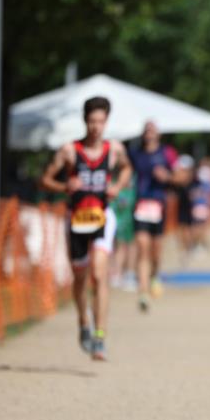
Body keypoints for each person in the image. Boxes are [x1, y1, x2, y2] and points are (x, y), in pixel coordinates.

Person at [40, 96, 132, 360]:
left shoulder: (114, 149)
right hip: (77, 218)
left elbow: (127, 169)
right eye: (92, 121)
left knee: (99, 274)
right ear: (85, 121)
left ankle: (100, 336)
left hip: (103, 216)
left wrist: (117, 185)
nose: (96, 127)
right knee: (80, 277)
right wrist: (63, 187)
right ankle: (83, 321)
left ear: (106, 122)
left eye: (101, 121)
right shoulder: (69, 151)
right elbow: (44, 179)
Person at [128, 122, 184, 312]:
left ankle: (154, 276)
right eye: (146, 131)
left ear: (158, 134)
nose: (149, 134)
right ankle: (143, 292)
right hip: (140, 205)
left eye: (152, 131)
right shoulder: (135, 153)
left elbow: (182, 177)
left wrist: (167, 177)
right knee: (142, 247)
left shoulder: (167, 152)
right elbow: (126, 172)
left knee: (156, 251)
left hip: (159, 207)